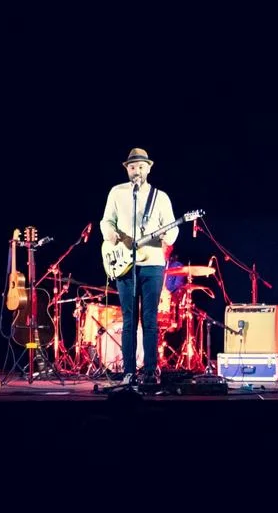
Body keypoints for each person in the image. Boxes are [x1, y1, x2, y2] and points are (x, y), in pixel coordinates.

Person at [100, 148, 179, 386]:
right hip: (124, 264)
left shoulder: (160, 197)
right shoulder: (117, 192)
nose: (137, 170)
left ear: (149, 169)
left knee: (150, 320)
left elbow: (172, 227)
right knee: (129, 320)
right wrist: (111, 235)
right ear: (127, 169)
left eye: (141, 166)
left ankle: (151, 371)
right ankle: (128, 371)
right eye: (132, 167)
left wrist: (168, 235)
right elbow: (106, 221)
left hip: (153, 263)